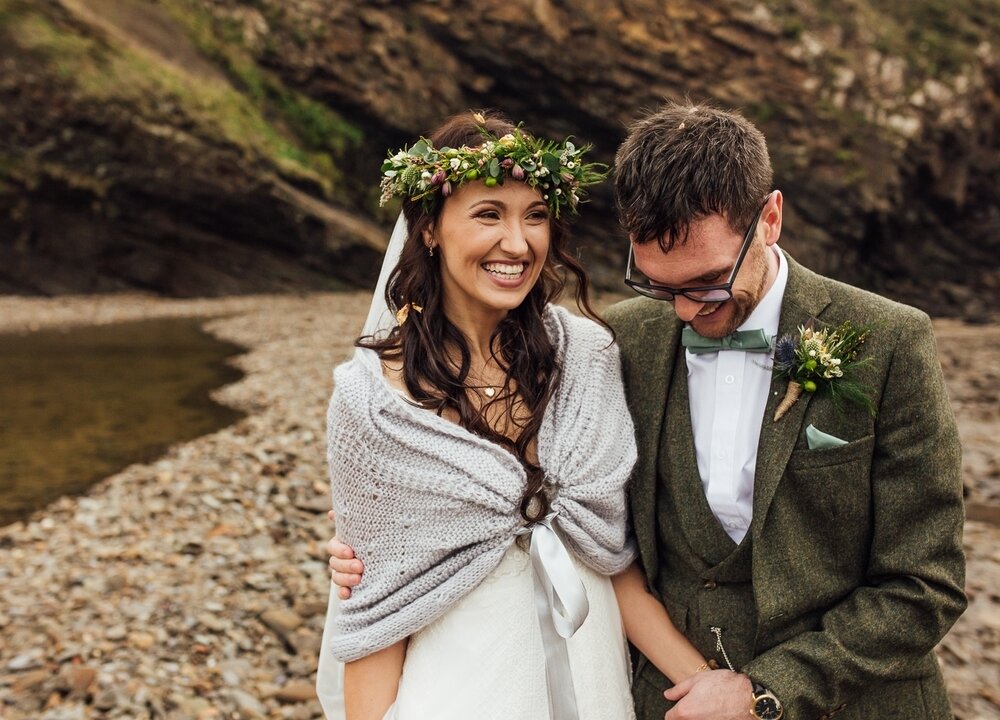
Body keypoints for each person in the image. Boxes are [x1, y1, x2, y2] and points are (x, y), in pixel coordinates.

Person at [329, 101, 967, 720]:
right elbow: (414, 558)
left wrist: (762, 693)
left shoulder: (888, 342)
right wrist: (381, 534)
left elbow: (924, 583)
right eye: (659, 285)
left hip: (851, 704)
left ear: (769, 218)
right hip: (643, 697)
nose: (684, 311)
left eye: (708, 283)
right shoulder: (624, 339)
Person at [318, 110, 709, 720]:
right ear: (429, 229)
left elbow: (612, 557)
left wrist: (710, 685)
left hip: (595, 689)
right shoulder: (373, 405)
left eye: (535, 216)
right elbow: (377, 609)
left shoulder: (589, 357)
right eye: (488, 214)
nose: (518, 243)